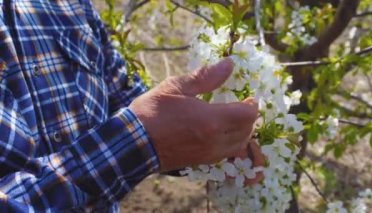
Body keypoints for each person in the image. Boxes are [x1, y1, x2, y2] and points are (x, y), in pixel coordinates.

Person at [0, 0, 264, 212]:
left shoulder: (71, 6)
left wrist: (214, 140)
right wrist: (142, 142)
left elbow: (124, 97)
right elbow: (140, 133)